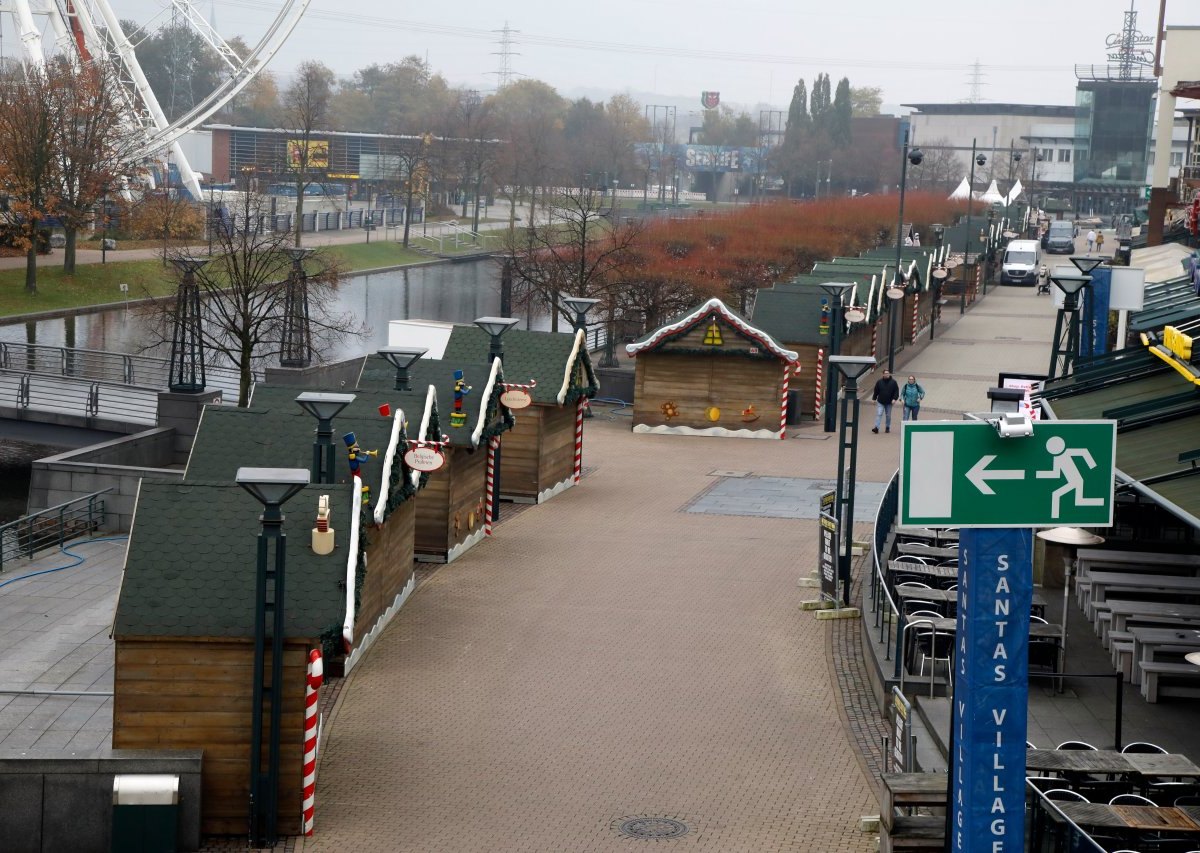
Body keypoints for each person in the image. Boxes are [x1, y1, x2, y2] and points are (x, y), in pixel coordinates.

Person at [871, 369, 900, 434]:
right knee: (879, 414)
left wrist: (894, 399)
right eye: (885, 373)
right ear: (883, 374)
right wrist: (874, 398)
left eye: (888, 373)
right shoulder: (879, 382)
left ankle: (887, 427)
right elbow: (876, 391)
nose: (887, 374)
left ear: (889, 374)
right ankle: (876, 428)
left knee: (888, 415)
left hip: (889, 402)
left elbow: (896, 391)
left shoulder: (893, 382)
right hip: (880, 401)